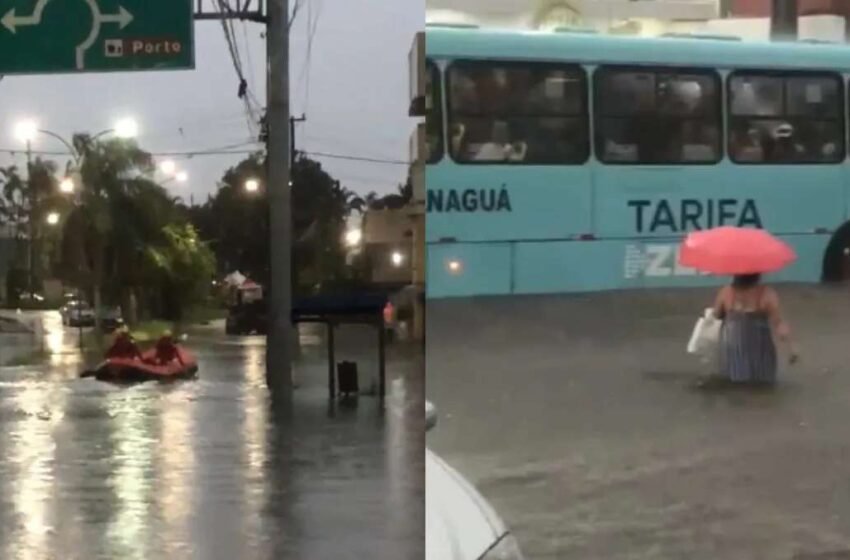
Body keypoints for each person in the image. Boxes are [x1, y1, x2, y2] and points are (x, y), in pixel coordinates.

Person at [712, 274, 799, 385]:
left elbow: (716, 316)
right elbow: (779, 324)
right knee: (762, 384)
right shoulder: (767, 294)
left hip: (733, 346)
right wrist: (792, 347)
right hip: (760, 347)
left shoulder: (726, 292)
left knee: (733, 381)